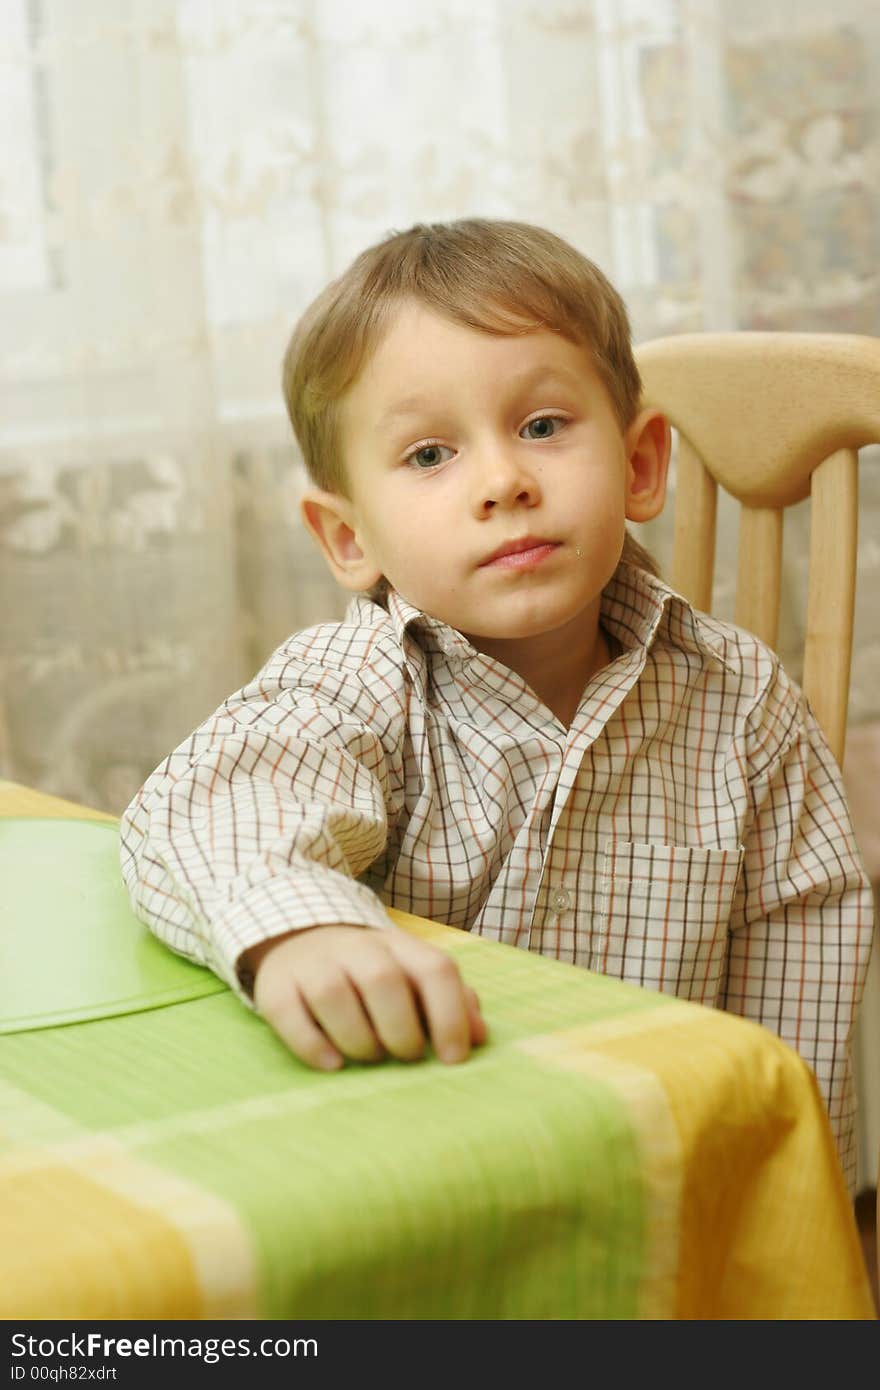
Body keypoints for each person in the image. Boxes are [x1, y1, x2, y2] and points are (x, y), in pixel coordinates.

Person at [120, 218, 872, 1192]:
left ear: (639, 464)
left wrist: (803, 1202)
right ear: (348, 537)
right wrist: (305, 930)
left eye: (542, 426)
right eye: (430, 454)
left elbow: (801, 983)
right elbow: (205, 805)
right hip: (424, 1188)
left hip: (667, 1186)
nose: (503, 481)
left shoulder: (742, 702)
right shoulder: (361, 685)